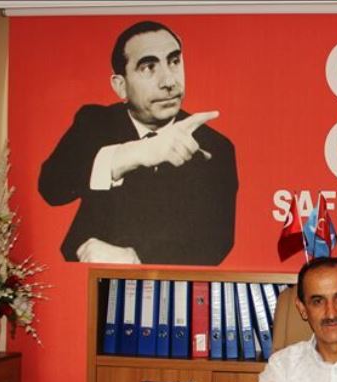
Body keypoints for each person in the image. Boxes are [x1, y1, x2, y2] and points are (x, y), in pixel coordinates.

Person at [38, 21, 237, 265]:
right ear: (120, 86)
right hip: (83, 274)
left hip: (166, 283)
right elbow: (51, 188)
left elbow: (216, 241)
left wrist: (135, 259)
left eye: (174, 61)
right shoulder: (95, 122)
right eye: (148, 67)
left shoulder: (214, 147)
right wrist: (134, 153)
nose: (169, 81)